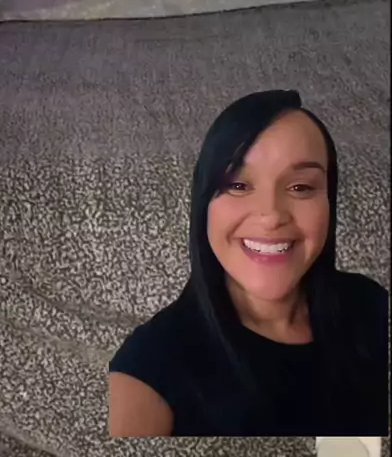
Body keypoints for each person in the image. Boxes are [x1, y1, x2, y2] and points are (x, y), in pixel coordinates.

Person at [108, 90, 389, 437]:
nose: (271, 216)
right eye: (238, 184)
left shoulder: (372, 306)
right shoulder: (149, 364)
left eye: (301, 187)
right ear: (203, 204)